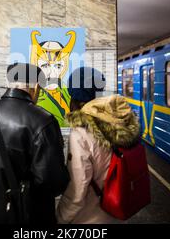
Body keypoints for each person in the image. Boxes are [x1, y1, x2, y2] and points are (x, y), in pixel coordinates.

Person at [0, 63, 69, 224]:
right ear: (36, 87)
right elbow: (52, 182)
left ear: (8, 84)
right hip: (24, 215)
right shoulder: (43, 121)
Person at [56, 67, 140, 224]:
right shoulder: (120, 123)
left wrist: (60, 216)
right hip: (117, 212)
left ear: (75, 98)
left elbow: (78, 190)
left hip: (90, 219)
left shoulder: (81, 134)